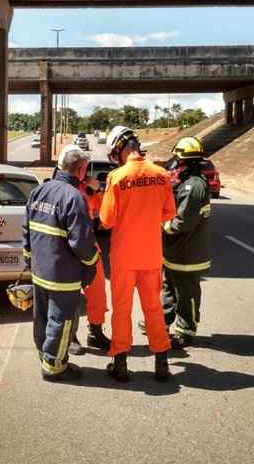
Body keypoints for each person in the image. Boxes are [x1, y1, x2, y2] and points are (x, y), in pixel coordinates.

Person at [100, 126, 176, 382]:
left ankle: (120, 363)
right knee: (153, 308)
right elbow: (169, 213)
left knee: (122, 309)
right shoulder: (161, 174)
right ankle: (162, 361)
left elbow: (107, 220)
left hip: (124, 257)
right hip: (152, 254)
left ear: (121, 150)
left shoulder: (117, 177)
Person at [23, 145, 99, 382]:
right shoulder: (73, 197)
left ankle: (45, 356)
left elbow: (27, 229)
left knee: (42, 317)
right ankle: (55, 367)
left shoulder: (40, 191)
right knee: (62, 321)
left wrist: (29, 258)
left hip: (39, 270)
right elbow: (81, 243)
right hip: (63, 275)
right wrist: (92, 263)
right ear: (81, 169)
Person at [161, 137, 211, 349]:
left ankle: (186, 331)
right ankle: (162, 321)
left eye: (177, 160)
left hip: (187, 255)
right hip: (175, 253)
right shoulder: (186, 183)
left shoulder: (194, 186)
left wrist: (161, 226)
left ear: (185, 162)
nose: (175, 164)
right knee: (169, 289)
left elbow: (181, 222)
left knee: (187, 294)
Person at [68, 172, 111, 355]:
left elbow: (106, 215)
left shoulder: (90, 191)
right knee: (70, 296)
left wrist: (99, 190)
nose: (83, 173)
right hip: (68, 249)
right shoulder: (65, 189)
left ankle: (95, 332)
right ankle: (70, 336)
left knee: (98, 293)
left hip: (90, 247)